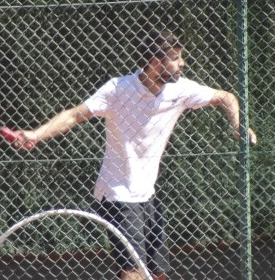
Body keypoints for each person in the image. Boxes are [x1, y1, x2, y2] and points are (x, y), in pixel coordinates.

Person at [14, 30, 257, 280]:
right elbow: (74, 115)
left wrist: (238, 124)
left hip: (147, 194)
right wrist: (36, 134)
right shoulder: (118, 90)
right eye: (174, 58)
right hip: (117, 192)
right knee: (133, 273)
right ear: (155, 63)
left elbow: (225, 97)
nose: (182, 63)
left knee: (158, 274)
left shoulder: (181, 90)